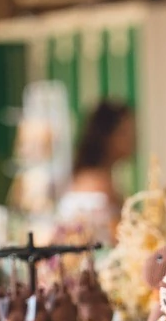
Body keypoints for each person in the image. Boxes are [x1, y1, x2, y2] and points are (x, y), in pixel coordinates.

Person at [58, 100, 136, 244]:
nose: (134, 139)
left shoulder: (100, 178)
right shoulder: (95, 183)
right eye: (125, 132)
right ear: (107, 137)